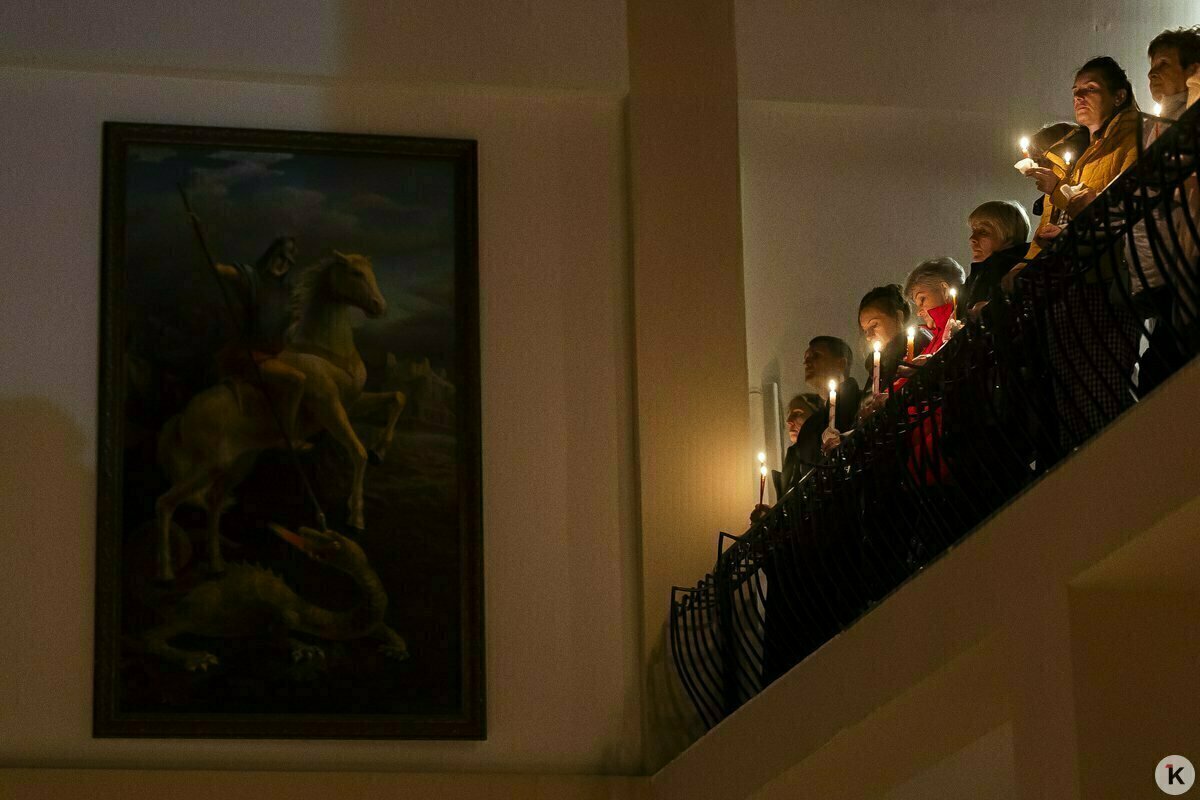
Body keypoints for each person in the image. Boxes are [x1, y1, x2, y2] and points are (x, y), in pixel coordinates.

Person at [1129, 27, 1200, 394]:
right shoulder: (1155, 128)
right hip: (1165, 270)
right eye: (1150, 67)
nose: (1152, 73)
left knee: (1164, 377)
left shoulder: (1190, 119)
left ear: (1192, 70)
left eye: (1164, 65)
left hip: (1187, 258)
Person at [1019, 57, 1141, 259]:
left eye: (1091, 88)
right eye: (1075, 91)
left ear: (1119, 97)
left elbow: (1127, 211)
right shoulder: (1080, 153)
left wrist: (1058, 190)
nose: (1078, 96)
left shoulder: (1135, 139)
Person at [214, 236, 308, 446]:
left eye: (288, 262)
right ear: (271, 255)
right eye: (280, 257)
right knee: (297, 381)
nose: (283, 265)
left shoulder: (286, 293)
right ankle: (285, 438)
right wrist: (217, 268)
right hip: (249, 356)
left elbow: (292, 324)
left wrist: (295, 321)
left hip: (273, 355)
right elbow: (228, 272)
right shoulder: (253, 278)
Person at [789, 337, 861, 479]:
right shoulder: (812, 424)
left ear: (841, 364)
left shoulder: (862, 402)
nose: (806, 362)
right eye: (806, 358)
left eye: (816, 356)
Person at [961, 201, 1030, 314]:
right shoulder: (980, 274)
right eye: (973, 231)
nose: (972, 239)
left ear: (1008, 235)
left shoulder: (1018, 275)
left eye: (983, 231)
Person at [903, 257, 967, 359]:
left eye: (922, 299)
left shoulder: (965, 326)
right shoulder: (933, 340)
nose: (919, 313)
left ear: (944, 290)